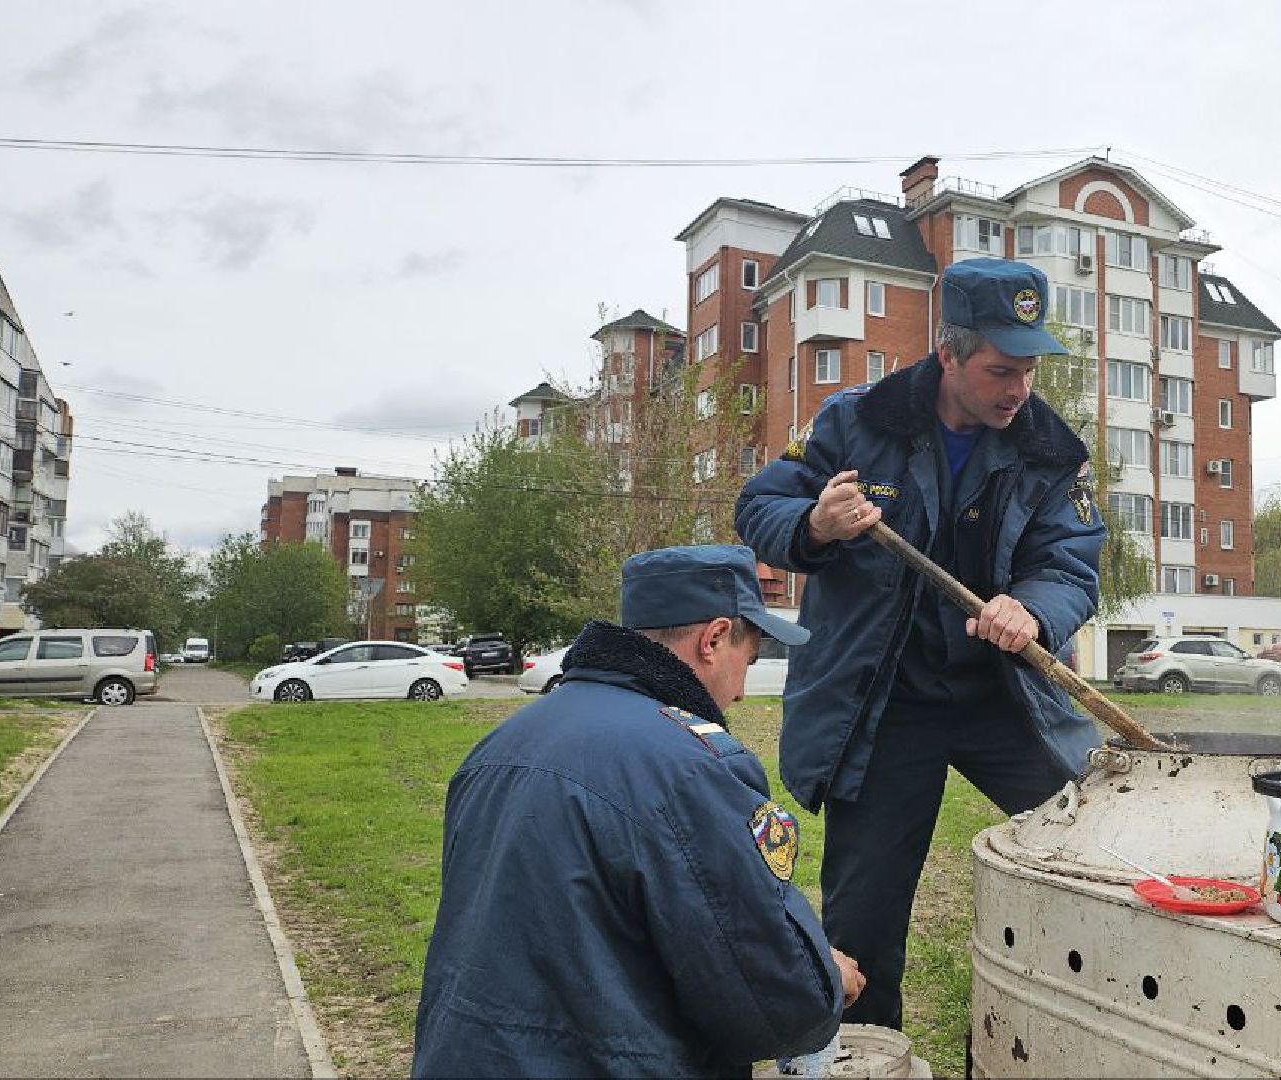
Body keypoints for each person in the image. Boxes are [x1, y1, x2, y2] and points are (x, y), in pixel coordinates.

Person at [735, 256, 1107, 1028]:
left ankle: (1093, 1017)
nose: (1018, 390)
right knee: (863, 921)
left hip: (1001, 695)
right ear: (949, 354)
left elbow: (1069, 565)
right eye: (1000, 369)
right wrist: (813, 526)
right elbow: (760, 505)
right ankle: (865, 1055)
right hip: (882, 702)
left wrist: (1031, 610)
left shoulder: (1051, 451)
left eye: (1029, 369)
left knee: (1095, 841)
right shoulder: (855, 420)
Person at [412, 545, 865, 1078]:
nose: (743, 691)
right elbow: (771, 1005)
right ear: (714, 639)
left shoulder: (499, 746)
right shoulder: (691, 767)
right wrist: (824, 979)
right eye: (753, 653)